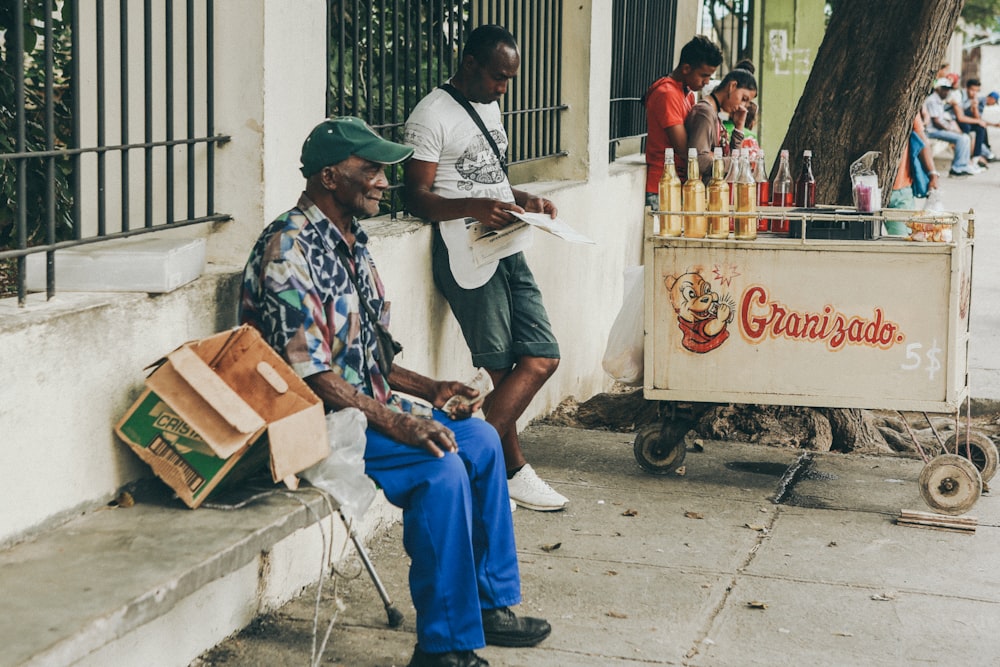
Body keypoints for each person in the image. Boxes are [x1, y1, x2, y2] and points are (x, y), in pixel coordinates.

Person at [240, 116, 551, 667]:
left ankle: (487, 604)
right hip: (311, 420)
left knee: (478, 438)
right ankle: (445, 646)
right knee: (440, 467)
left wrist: (431, 389)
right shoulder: (289, 251)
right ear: (330, 177)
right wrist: (400, 421)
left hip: (359, 407)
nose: (385, 180)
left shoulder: (351, 242)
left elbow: (371, 354)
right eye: (372, 169)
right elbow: (310, 377)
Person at [403, 25, 568, 512]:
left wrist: (522, 198)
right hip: (463, 251)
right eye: (498, 76)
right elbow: (416, 196)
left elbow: (488, 175)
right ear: (469, 62)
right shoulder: (431, 114)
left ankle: (481, 465)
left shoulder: (490, 104)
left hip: (505, 243)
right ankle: (508, 471)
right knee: (500, 367)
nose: (503, 88)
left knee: (542, 357)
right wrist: (472, 207)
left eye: (509, 79)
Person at [643, 35, 723, 202]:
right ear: (686, 68)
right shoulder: (667, 94)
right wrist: (708, 155)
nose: (706, 82)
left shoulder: (687, 94)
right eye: (704, 75)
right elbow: (686, 149)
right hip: (663, 187)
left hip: (682, 184)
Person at [685, 68, 757, 182]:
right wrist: (736, 161)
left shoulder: (714, 114)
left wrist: (739, 126)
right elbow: (699, 160)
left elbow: (730, 161)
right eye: (743, 99)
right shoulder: (705, 112)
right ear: (732, 86)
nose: (742, 106)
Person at [886, 114, 940, 235]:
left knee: (902, 242)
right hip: (861, 191)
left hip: (899, 189)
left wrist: (933, 174)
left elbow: (922, 141)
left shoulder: (908, 108)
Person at [925, 77, 980, 177]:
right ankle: (957, 168)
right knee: (962, 138)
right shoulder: (932, 100)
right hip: (932, 130)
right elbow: (936, 122)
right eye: (944, 89)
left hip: (938, 129)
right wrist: (950, 130)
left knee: (965, 137)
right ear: (937, 88)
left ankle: (964, 165)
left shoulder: (940, 100)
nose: (946, 91)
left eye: (948, 89)